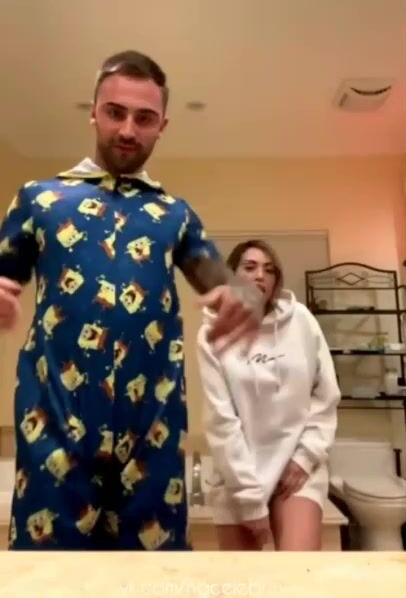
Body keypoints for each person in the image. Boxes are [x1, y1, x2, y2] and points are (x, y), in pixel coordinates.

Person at [0, 50, 263, 551]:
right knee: (48, 578)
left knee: (154, 577)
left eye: (144, 118)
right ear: (94, 113)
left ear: (162, 125)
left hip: (152, 438)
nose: (127, 129)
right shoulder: (39, 199)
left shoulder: (176, 215)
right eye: (116, 112)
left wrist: (244, 298)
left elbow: (219, 278)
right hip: (54, 426)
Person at [197, 239, 341, 551]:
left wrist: (305, 457)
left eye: (269, 269)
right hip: (239, 474)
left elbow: (326, 395)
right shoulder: (211, 334)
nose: (260, 275)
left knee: (298, 573)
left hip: (297, 468)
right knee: (245, 576)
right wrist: (250, 500)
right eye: (249, 267)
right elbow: (222, 421)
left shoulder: (301, 320)